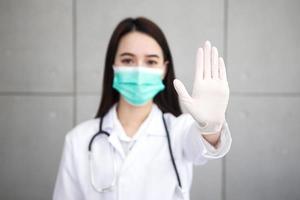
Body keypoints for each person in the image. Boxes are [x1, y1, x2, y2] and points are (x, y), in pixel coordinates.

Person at [53, 16, 232, 200]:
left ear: (164, 69)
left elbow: (202, 143)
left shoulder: (179, 131)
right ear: (113, 65)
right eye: (128, 60)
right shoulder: (78, 140)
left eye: (151, 62)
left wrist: (209, 127)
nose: (139, 70)